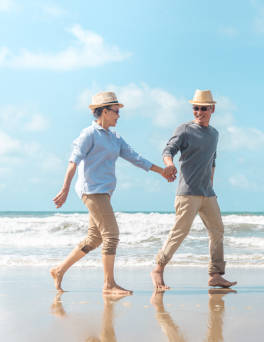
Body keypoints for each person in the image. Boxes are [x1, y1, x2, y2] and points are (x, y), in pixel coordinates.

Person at [51, 91, 174, 294]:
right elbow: (73, 162)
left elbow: (135, 157)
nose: (119, 115)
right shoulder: (88, 134)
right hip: (91, 191)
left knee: (95, 238)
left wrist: (161, 172)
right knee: (111, 235)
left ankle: (59, 269)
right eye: (116, 111)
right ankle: (109, 284)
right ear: (105, 112)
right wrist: (64, 189)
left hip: (105, 192)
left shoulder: (115, 138)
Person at [152, 89, 237, 289]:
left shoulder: (215, 134)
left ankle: (215, 274)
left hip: (208, 193)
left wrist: (211, 182)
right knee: (180, 232)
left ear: (212, 109)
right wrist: (169, 164)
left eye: (204, 108)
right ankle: (158, 268)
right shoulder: (184, 130)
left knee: (217, 232)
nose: (199, 112)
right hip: (187, 193)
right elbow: (168, 150)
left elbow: (212, 160)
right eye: (196, 108)